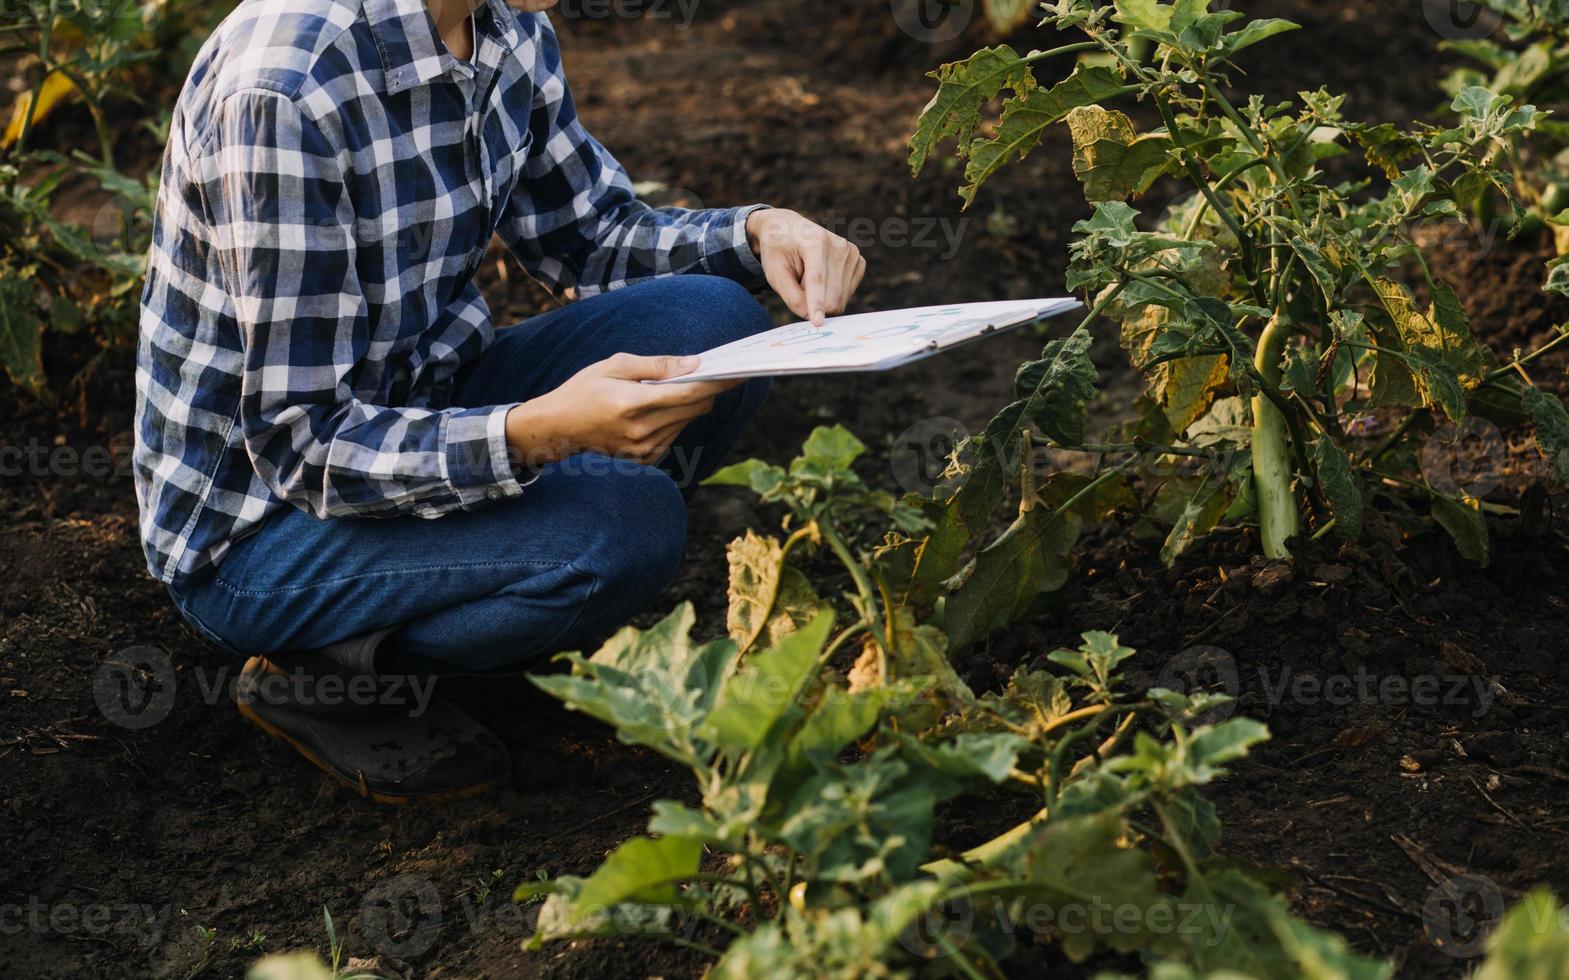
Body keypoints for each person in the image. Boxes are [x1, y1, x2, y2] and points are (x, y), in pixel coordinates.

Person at [132, 0, 865, 801]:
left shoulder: (501, 21)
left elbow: (588, 234)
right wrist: (535, 435)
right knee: (624, 525)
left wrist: (757, 233)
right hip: (262, 527)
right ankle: (324, 671)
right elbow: (301, 444)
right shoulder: (283, 91)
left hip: (425, 403)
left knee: (713, 323)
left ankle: (502, 595)